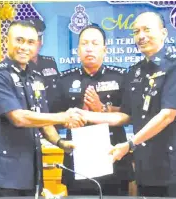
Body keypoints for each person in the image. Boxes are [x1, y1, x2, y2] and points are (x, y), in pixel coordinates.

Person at [74, 12, 176, 197]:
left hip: (173, 167)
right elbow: (126, 115)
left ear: (163, 33)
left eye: (147, 30)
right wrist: (85, 115)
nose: (141, 36)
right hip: (146, 167)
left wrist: (130, 144)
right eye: (136, 31)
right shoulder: (134, 72)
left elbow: (167, 115)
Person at [0, 20, 85, 197]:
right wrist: (63, 117)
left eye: (30, 42)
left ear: (37, 45)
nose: (24, 47)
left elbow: (43, 120)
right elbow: (19, 118)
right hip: (4, 175)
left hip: (32, 172)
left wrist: (60, 143)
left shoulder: (36, 78)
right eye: (19, 40)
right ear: (7, 42)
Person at [50, 25, 134, 196]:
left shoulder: (120, 77)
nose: (89, 48)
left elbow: (129, 115)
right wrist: (69, 119)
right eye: (84, 44)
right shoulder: (64, 80)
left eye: (95, 43)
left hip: (113, 155)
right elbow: (52, 118)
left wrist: (101, 109)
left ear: (105, 49)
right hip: (78, 156)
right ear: (78, 50)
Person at [26, 18, 60, 109]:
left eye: (39, 39)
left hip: (55, 116)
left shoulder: (50, 62)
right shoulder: (18, 66)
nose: (37, 43)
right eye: (31, 40)